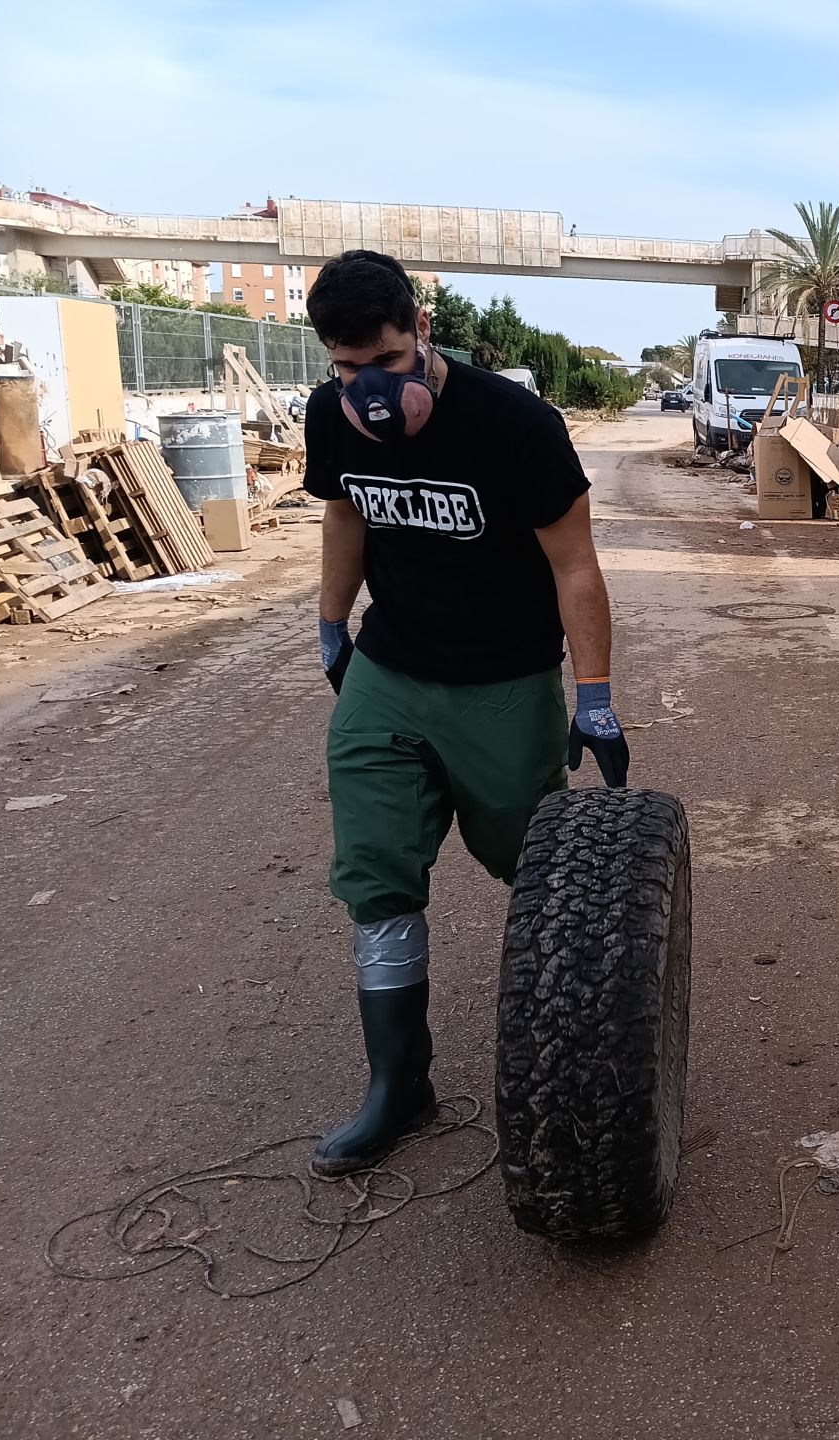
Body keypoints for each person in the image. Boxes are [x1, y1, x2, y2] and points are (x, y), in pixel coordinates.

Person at [302, 250, 628, 1176]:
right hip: (391, 667)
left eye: (388, 365)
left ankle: (573, 1047)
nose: (369, 391)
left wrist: (594, 698)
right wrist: (333, 627)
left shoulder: (515, 425)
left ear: (423, 332)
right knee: (375, 865)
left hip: (503, 681)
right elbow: (345, 517)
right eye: (347, 369)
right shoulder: (335, 419)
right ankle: (399, 1084)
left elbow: (575, 564)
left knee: (538, 867)